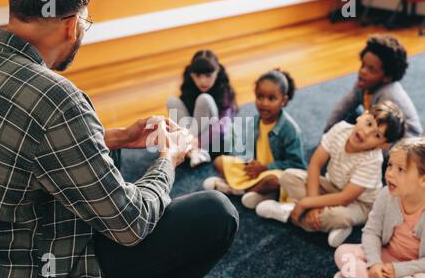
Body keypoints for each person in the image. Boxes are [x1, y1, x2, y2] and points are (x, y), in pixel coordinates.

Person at [0, 0, 238, 278]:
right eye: (86, 23)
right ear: (73, 26)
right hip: (37, 264)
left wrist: (118, 137)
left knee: (108, 153)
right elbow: (131, 224)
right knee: (218, 213)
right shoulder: (58, 100)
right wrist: (168, 159)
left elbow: (19, 141)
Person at [256, 101, 406, 247]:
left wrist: (305, 203)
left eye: (377, 135)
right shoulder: (340, 129)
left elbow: (345, 198)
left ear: (382, 146)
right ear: (362, 115)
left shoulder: (372, 161)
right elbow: (315, 165)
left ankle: (287, 214)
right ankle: (326, 224)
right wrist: (313, 203)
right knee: (288, 176)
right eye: (368, 123)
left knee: (336, 216)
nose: (366, 133)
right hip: (332, 185)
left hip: (359, 203)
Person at [204, 69, 306, 209]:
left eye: (271, 98)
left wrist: (266, 167)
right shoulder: (254, 121)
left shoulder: (290, 130)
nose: (264, 103)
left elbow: (298, 165)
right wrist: (249, 163)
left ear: (283, 100)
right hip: (257, 171)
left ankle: (236, 189)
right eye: (260, 96)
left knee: (274, 180)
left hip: (272, 172)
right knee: (219, 161)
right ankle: (257, 193)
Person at [335, 138, 425, 278]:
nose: (389, 174)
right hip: (384, 257)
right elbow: (372, 232)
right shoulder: (386, 195)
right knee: (343, 252)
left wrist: (397, 270)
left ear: (423, 180)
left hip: (412, 269)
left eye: (400, 169)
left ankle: (353, 274)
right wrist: (374, 263)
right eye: (390, 165)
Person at [325, 35, 422, 138]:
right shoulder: (364, 83)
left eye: (371, 69)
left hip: (402, 141)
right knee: (349, 116)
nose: (362, 71)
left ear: (387, 77)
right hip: (376, 122)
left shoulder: (388, 97)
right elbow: (344, 106)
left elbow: (382, 136)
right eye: (363, 65)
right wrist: (327, 133)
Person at [167, 50, 238, 167]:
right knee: (172, 102)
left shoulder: (223, 91)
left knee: (204, 99)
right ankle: (191, 151)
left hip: (215, 141)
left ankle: (190, 149)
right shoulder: (189, 87)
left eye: (208, 76)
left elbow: (222, 127)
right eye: (198, 76)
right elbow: (187, 120)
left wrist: (197, 141)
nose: (202, 81)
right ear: (191, 74)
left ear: (217, 72)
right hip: (194, 135)